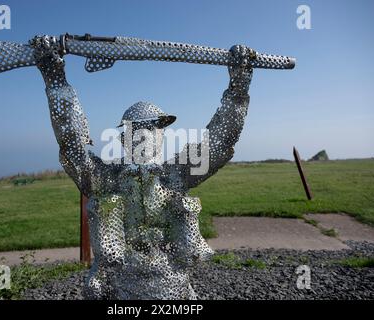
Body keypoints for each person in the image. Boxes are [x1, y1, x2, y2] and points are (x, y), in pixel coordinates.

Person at [31, 35, 254, 299]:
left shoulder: (176, 175)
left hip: (174, 285)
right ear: (124, 138)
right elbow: (72, 146)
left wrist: (239, 86)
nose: (148, 134)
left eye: (155, 128)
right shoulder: (106, 179)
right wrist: (54, 78)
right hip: (122, 288)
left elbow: (220, 140)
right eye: (139, 129)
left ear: (162, 135)